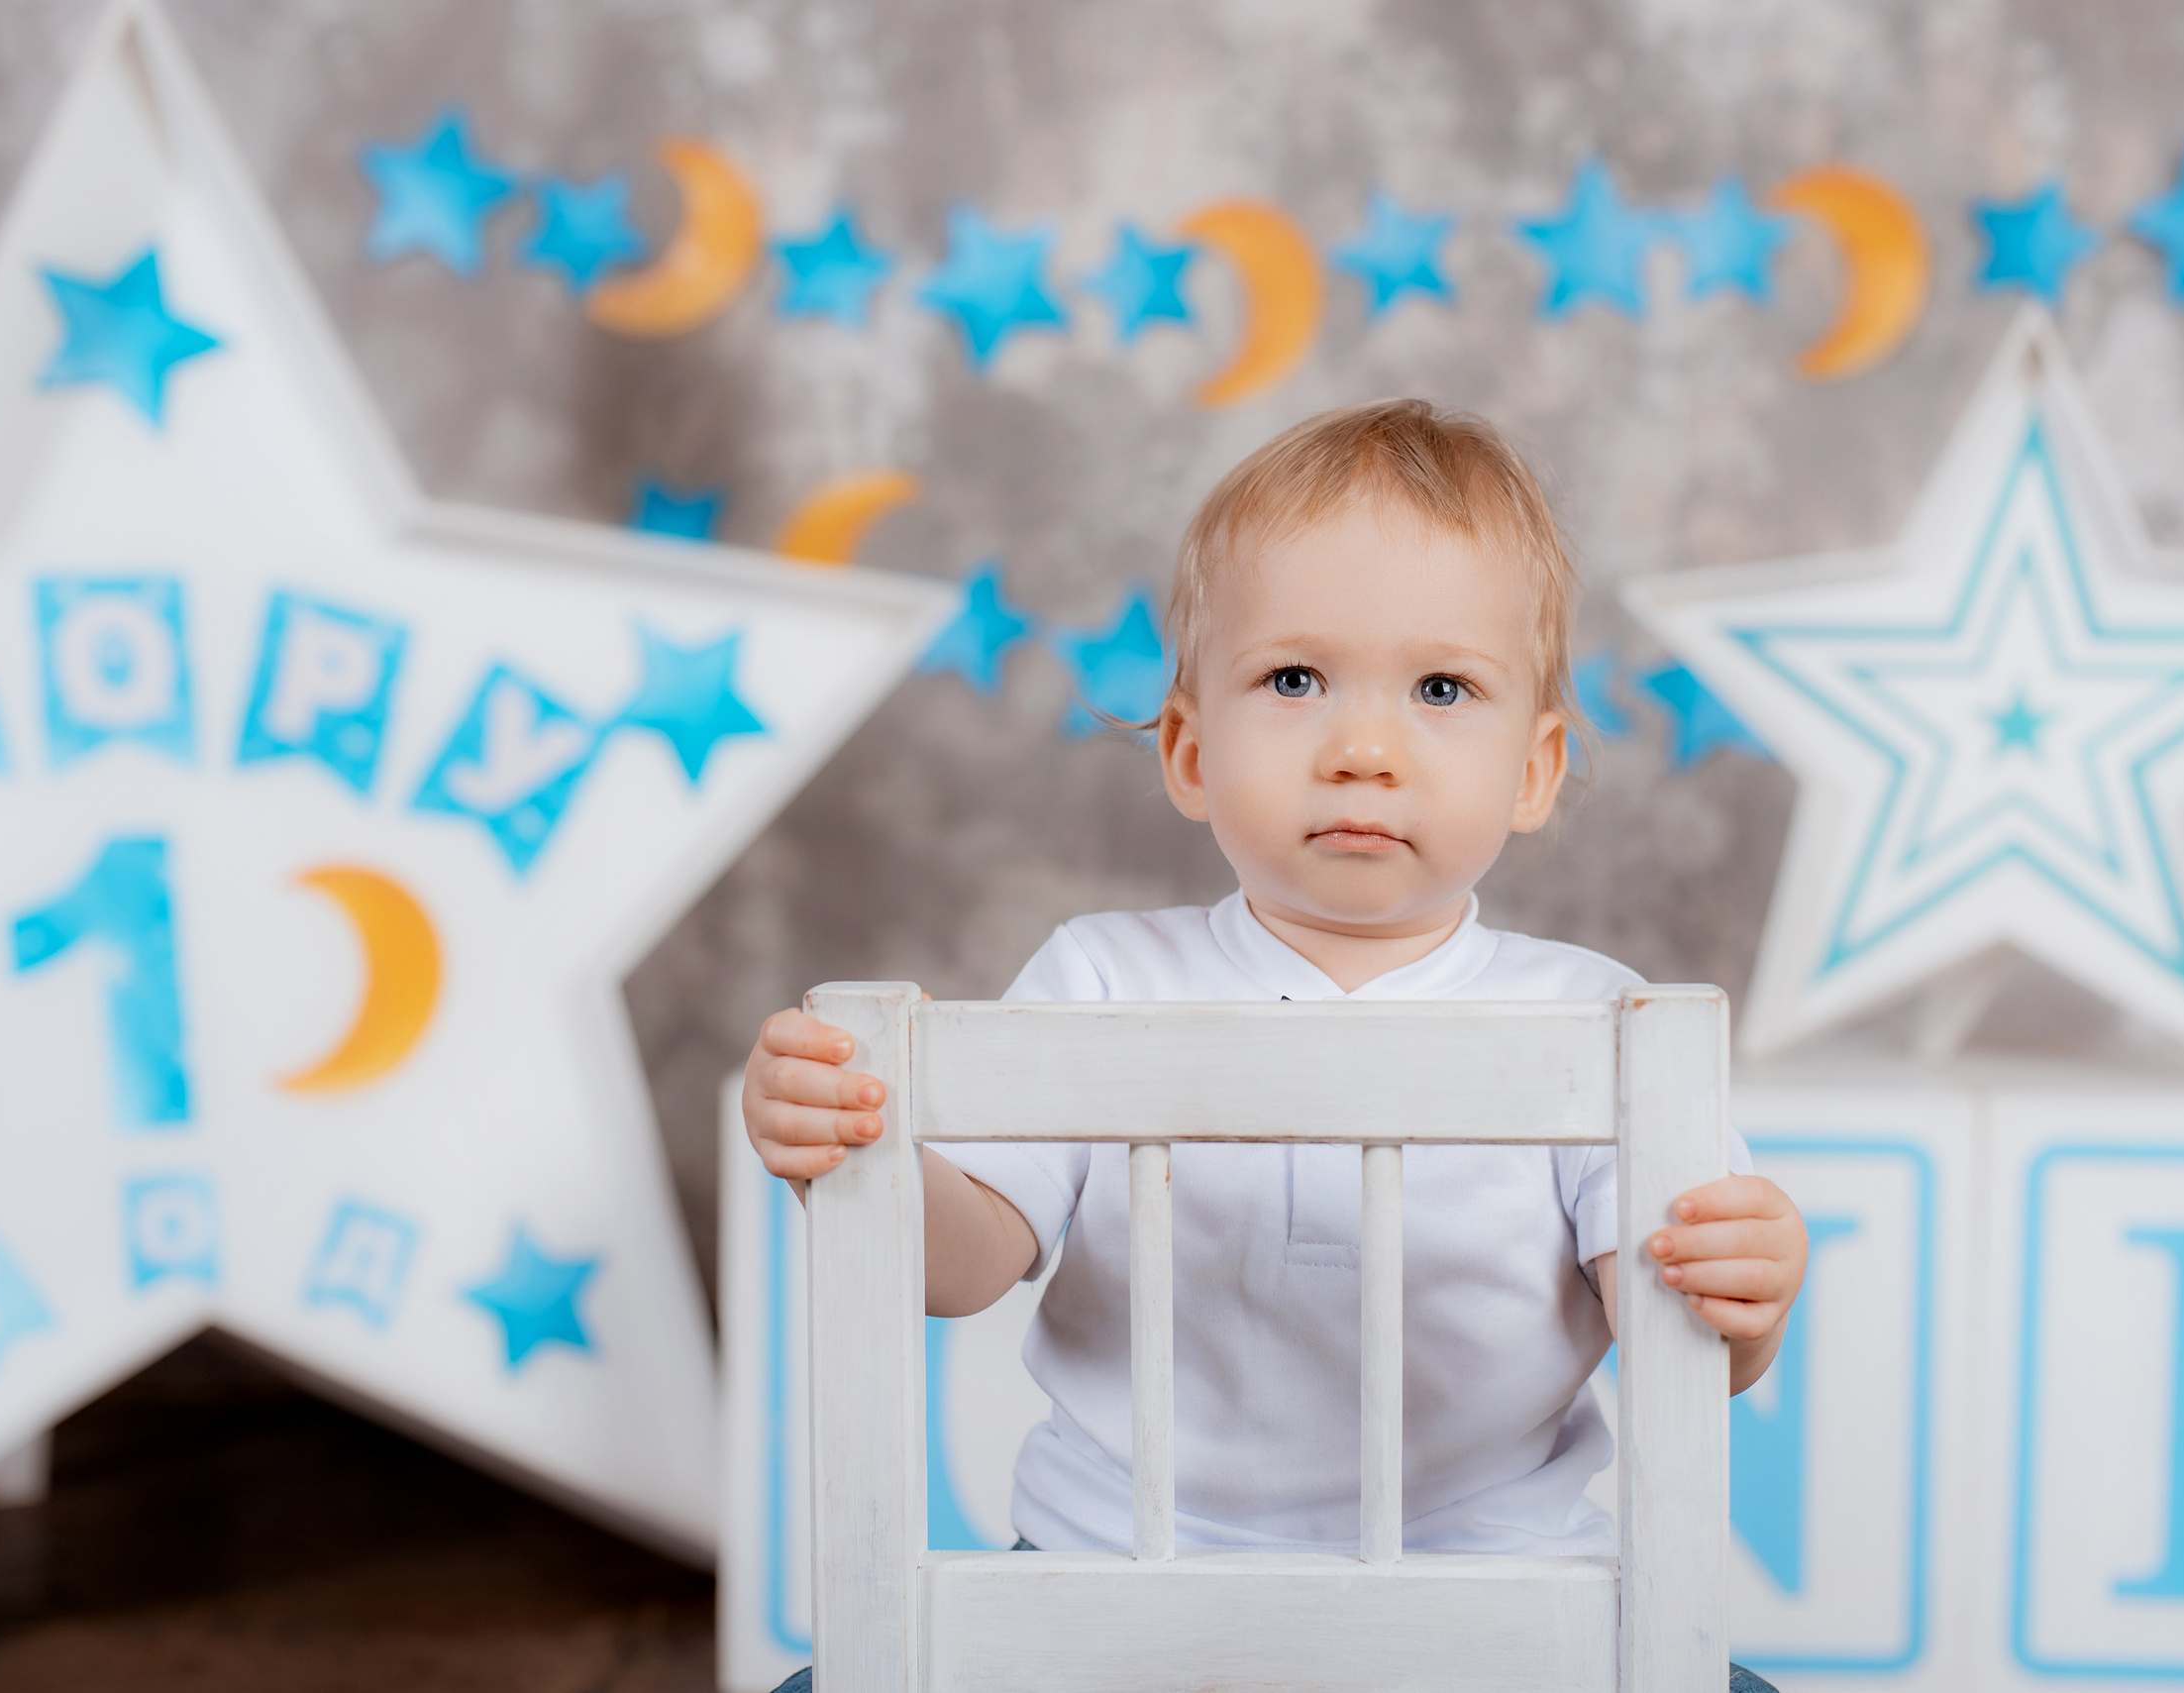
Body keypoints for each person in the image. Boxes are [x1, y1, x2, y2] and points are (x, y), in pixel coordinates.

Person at [746, 399, 1808, 1693]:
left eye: (1442, 688)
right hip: (1106, 1594)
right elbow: (962, 1264)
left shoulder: (1600, 1024)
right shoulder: (1102, 977)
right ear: (1191, 749)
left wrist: (1747, 1290)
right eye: (1294, 679)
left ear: (1535, 772)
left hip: (1493, 1614)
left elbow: (1686, 1331)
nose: (1363, 748)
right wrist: (848, 1149)